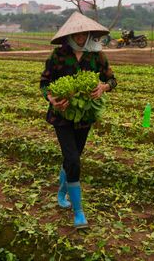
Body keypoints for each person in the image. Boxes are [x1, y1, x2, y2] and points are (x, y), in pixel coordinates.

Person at [40, 12, 117, 229]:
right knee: (73, 160)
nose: (81, 37)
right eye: (77, 33)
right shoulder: (58, 56)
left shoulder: (97, 56)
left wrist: (103, 87)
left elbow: (112, 79)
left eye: (84, 33)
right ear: (70, 34)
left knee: (73, 157)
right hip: (62, 116)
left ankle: (63, 190)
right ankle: (79, 212)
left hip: (84, 117)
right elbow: (44, 83)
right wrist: (51, 98)